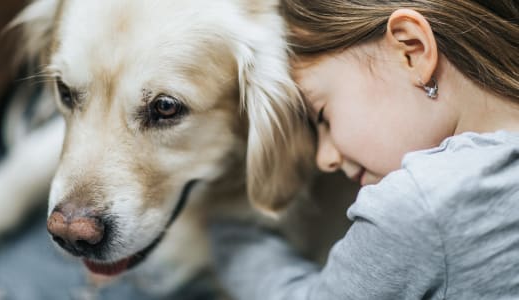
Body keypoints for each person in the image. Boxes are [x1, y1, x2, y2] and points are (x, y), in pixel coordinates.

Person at [209, 1, 519, 299]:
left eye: (322, 116)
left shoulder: (417, 205)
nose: (325, 158)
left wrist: (226, 237)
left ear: (412, 51)